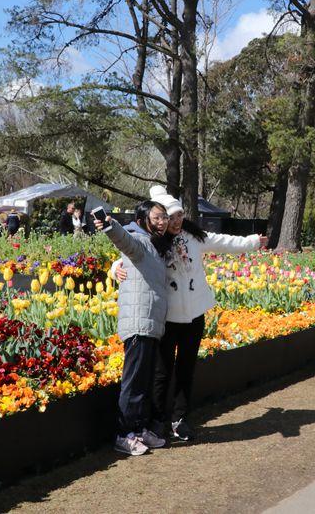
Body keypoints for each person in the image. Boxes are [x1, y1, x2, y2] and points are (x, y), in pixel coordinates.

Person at [114, 186, 269, 442]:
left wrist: (253, 242)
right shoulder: (154, 241)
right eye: (169, 217)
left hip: (195, 313)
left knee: (186, 369)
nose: (175, 222)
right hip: (168, 316)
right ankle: (158, 420)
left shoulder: (194, 236)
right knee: (162, 373)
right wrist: (114, 269)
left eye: (179, 215)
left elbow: (224, 242)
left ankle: (180, 419)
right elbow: (129, 254)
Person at [95, 200, 173, 456]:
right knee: (134, 383)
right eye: (157, 217)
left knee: (145, 382)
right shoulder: (139, 241)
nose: (162, 222)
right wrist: (110, 225)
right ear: (142, 220)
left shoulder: (156, 246)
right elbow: (124, 240)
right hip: (139, 323)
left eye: (164, 217)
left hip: (151, 324)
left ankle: (139, 430)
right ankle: (124, 434)